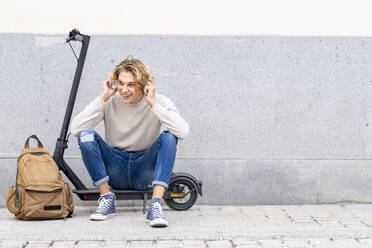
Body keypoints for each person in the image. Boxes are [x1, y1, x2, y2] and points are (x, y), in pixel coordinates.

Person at [70, 56, 189, 227]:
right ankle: (107, 198)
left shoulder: (159, 101)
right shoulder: (110, 100)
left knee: (169, 137)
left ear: (143, 84)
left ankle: (155, 204)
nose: (124, 89)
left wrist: (152, 103)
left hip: (144, 168)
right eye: (121, 83)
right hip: (115, 167)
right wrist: (103, 97)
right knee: (86, 134)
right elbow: (76, 129)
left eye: (131, 84)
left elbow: (183, 131)